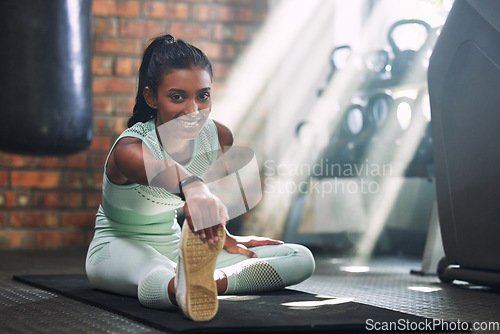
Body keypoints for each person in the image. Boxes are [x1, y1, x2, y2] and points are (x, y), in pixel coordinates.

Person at [85, 34, 315, 322]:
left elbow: (198, 202)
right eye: (177, 97)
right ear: (151, 97)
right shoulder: (129, 149)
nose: (193, 111)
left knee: (300, 257)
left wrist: (223, 236)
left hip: (176, 246)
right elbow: (162, 171)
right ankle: (180, 285)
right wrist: (194, 187)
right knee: (156, 269)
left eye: (203, 96)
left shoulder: (217, 137)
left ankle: (205, 282)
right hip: (116, 248)